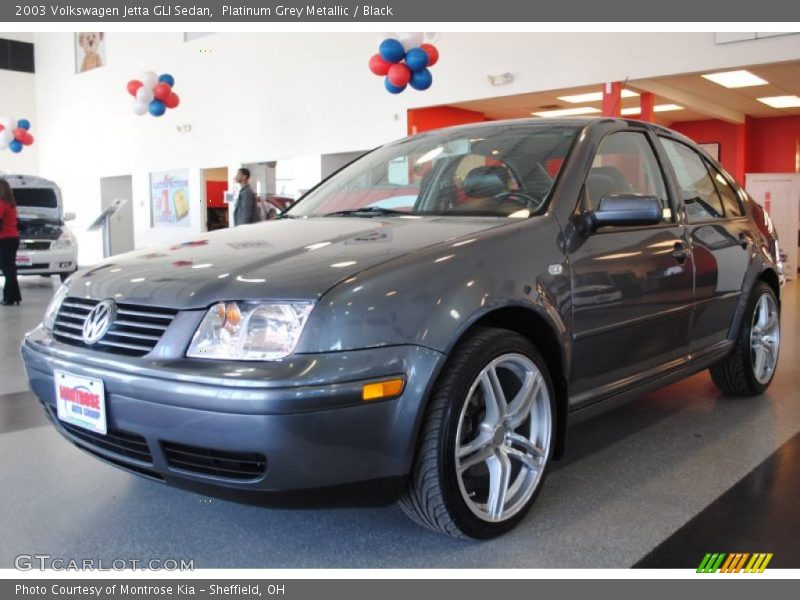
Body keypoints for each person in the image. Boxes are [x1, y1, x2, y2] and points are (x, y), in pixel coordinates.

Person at [0, 179, 22, 306]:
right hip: (13, 238)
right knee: (10, 269)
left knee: (7, 269)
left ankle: (9, 297)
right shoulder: (11, 205)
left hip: (5, 240)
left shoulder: (2, 204)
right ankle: (14, 296)